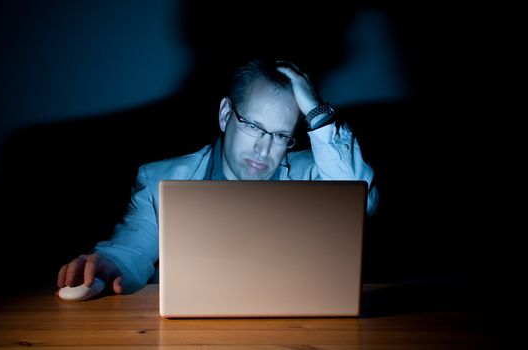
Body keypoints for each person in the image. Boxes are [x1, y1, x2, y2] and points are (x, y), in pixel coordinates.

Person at [57, 59, 379, 295]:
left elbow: (360, 201)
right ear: (226, 115)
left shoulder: (315, 175)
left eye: (281, 136)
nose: (264, 148)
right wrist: (106, 264)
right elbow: (133, 248)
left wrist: (317, 113)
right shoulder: (158, 180)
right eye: (253, 126)